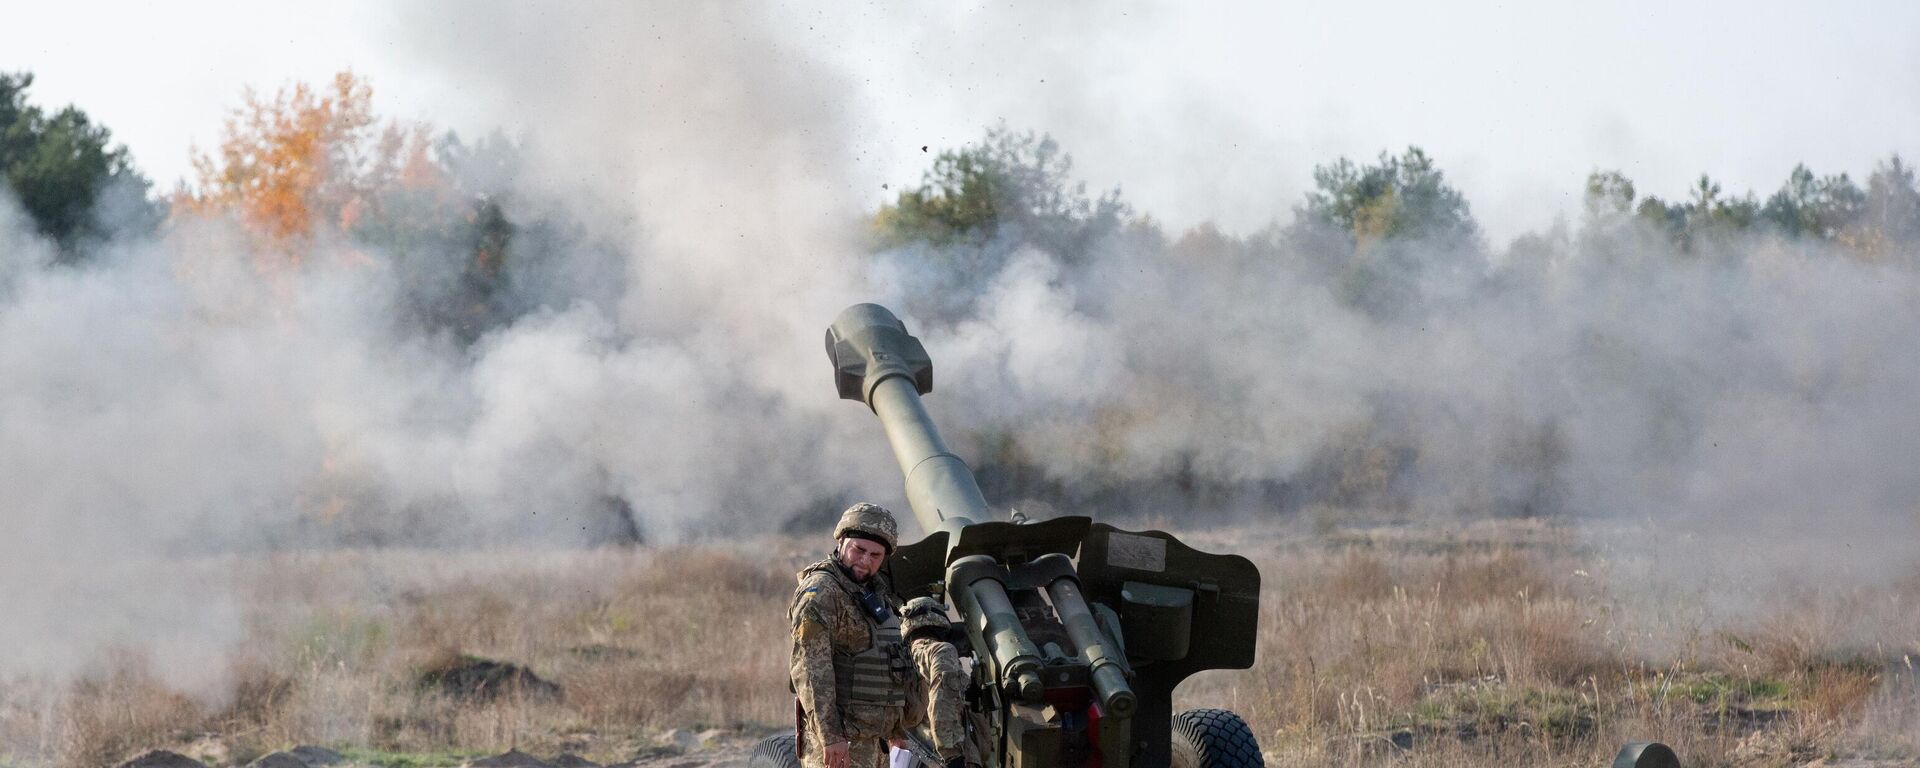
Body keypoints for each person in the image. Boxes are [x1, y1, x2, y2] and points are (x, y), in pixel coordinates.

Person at [789, 503, 913, 768]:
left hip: (875, 744)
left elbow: (892, 664)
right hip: (840, 746)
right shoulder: (822, 593)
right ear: (841, 541)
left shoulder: (876, 592)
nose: (865, 561)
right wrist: (831, 737)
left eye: (875, 555)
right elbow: (811, 671)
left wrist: (897, 730)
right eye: (859, 550)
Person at [901, 596, 970, 768]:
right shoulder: (940, 651)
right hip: (938, 754)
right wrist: (952, 755)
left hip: (908, 751)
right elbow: (942, 702)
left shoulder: (898, 656)